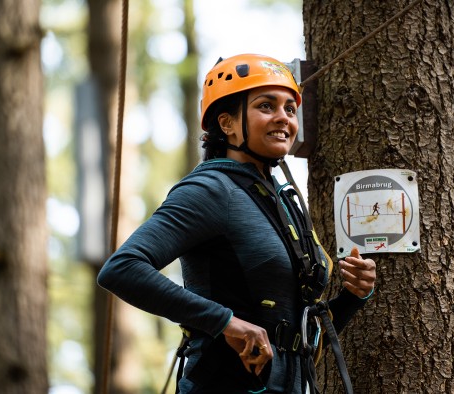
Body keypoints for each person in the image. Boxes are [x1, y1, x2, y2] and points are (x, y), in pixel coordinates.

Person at [97, 54, 376, 394]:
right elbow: (122, 268)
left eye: (290, 109)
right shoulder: (210, 190)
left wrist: (353, 296)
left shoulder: (284, 202)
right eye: (266, 106)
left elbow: (301, 337)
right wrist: (226, 323)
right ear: (226, 123)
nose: (283, 118)